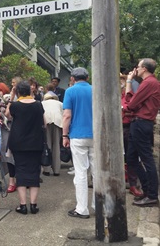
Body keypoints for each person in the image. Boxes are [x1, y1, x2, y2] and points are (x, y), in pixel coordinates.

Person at [124, 58, 160, 207]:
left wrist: (128, 83)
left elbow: (131, 104)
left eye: (138, 67)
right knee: (132, 159)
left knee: (147, 159)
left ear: (144, 68)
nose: (136, 69)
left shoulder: (149, 83)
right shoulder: (151, 83)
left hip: (141, 122)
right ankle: (147, 190)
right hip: (139, 122)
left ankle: (152, 195)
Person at [5, 80, 44, 215]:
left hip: (18, 142)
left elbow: (7, 115)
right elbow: (44, 122)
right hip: (36, 142)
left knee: (20, 171)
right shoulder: (38, 105)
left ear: (18, 92)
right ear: (30, 91)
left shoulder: (15, 105)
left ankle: (22, 205)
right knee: (34, 171)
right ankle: (33, 205)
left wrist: (11, 97)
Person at [62, 67, 94, 219]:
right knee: (97, 172)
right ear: (87, 77)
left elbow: (67, 115)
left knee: (81, 172)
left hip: (77, 134)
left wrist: (64, 135)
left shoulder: (70, 91)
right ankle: (99, 205)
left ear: (73, 78)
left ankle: (82, 208)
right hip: (96, 134)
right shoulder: (95, 90)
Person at [120, 74, 143, 197]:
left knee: (131, 156)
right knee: (121, 155)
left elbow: (132, 108)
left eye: (123, 81)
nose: (121, 84)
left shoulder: (132, 95)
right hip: (118, 128)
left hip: (129, 126)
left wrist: (123, 109)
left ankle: (133, 183)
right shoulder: (118, 95)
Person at [0, 82, 16, 193]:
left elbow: (12, 115)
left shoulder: (11, 100)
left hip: (11, 130)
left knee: (10, 156)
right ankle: (1, 180)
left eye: (0, 91)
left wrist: (2, 115)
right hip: (0, 131)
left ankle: (12, 181)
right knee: (2, 156)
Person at [42, 91, 63, 176]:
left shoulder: (42, 103)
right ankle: (56, 170)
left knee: (47, 145)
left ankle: (46, 169)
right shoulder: (60, 103)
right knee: (56, 146)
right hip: (58, 123)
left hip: (46, 122)